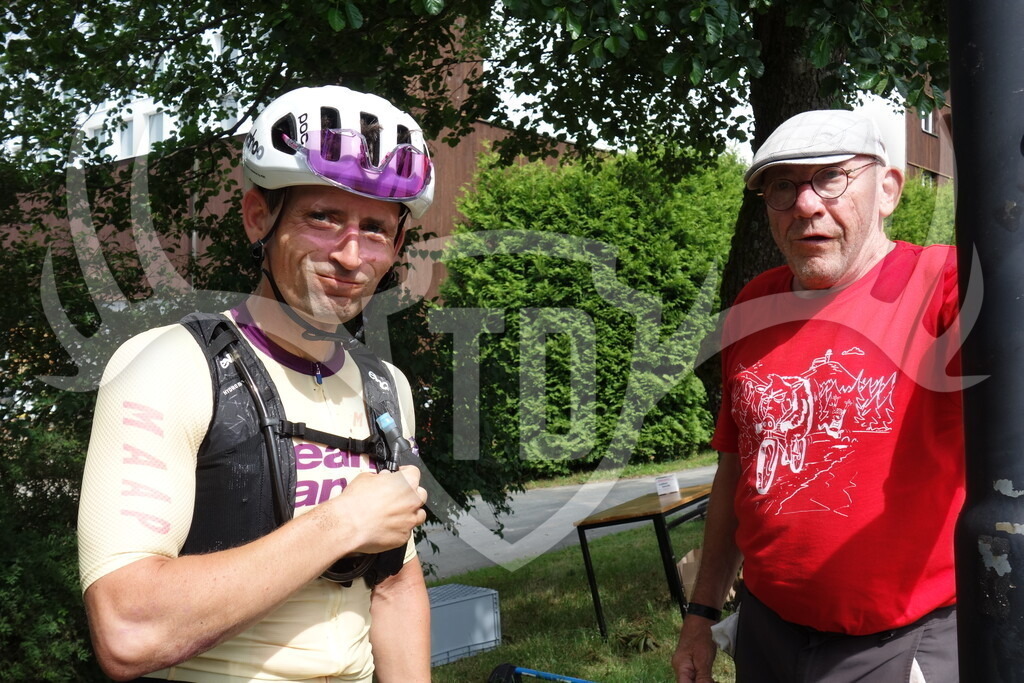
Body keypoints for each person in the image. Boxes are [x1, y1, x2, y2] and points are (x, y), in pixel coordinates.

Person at [78, 85, 435, 682]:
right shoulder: (170, 367)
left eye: (375, 229)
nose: (351, 256)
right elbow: (128, 629)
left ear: (397, 244)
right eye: (323, 217)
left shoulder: (385, 386)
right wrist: (341, 524)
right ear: (257, 218)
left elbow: (395, 588)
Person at [672, 109, 964, 683]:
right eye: (783, 186)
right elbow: (737, 469)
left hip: (901, 643)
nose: (805, 204)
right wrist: (701, 616)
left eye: (831, 177)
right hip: (767, 633)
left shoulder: (943, 285)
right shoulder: (755, 304)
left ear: (887, 189)